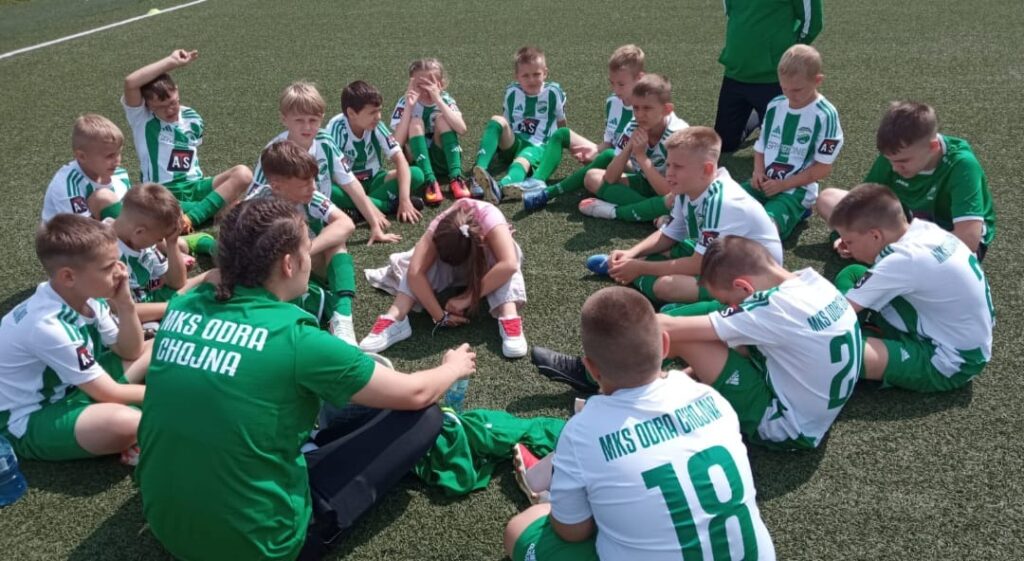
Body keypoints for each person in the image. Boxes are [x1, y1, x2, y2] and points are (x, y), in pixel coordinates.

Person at [137, 197, 476, 561]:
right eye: (307, 247)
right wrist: (452, 367)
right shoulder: (295, 337)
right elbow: (416, 393)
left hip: (165, 524)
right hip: (260, 546)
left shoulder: (181, 307)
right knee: (425, 417)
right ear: (288, 263)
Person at [504, 287, 775, 561]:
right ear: (665, 345)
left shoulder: (583, 431)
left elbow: (572, 532)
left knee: (521, 526)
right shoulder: (711, 397)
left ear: (592, 368)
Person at [535, 236, 860, 450]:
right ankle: (660, 382)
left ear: (744, 286)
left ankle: (597, 379)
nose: (731, 307)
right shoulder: (813, 282)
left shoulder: (772, 308)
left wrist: (605, 331)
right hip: (807, 403)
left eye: (732, 301)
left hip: (785, 425)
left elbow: (661, 327)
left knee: (676, 336)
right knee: (710, 327)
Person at [0, 215, 148, 462]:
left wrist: (125, 304)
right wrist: (167, 394)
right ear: (68, 277)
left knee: (158, 347)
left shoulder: (87, 296)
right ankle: (125, 428)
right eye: (108, 267)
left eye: (118, 261)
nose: (121, 271)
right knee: (129, 422)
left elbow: (130, 351)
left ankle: (112, 426)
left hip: (74, 388)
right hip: (32, 416)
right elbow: (110, 393)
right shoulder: (46, 325)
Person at [587, 127, 781, 307]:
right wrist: (632, 253)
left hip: (751, 278)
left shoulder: (723, 201)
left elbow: (698, 264)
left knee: (665, 286)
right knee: (647, 255)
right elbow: (670, 233)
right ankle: (626, 269)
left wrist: (640, 267)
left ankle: (633, 276)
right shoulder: (687, 189)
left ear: (706, 169)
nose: (669, 173)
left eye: (678, 167)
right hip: (719, 260)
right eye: (668, 165)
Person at [830, 183, 993, 392]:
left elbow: (836, 314)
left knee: (833, 350)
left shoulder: (903, 260)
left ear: (875, 235)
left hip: (948, 360)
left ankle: (864, 341)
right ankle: (867, 337)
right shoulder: (927, 230)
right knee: (854, 272)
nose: (846, 246)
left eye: (849, 241)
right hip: (948, 331)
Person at [817, 101, 996, 259]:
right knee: (828, 198)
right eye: (890, 160)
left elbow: (968, 241)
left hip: (947, 237)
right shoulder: (895, 155)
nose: (895, 168)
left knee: (949, 260)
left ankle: (887, 254)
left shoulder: (961, 165)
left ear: (933, 147)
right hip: (905, 226)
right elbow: (863, 205)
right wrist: (847, 236)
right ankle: (885, 252)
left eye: (903, 161)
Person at [360, 198, 528, 358]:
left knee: (508, 254)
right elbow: (415, 272)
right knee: (416, 263)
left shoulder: (490, 218)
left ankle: (509, 315)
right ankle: (396, 317)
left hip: (484, 261)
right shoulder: (440, 227)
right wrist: (441, 317)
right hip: (450, 265)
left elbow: (509, 264)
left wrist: (467, 298)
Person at [247, 140, 366, 343]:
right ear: (276, 186)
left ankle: (343, 315)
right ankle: (204, 242)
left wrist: (305, 250)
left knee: (336, 242)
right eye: (304, 183)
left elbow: (346, 223)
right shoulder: (257, 205)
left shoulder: (311, 196)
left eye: (313, 180)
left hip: (302, 262)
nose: (313, 187)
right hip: (275, 270)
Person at [122, 49, 251, 232]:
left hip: (196, 186)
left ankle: (190, 218)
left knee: (243, 174)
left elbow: (191, 158)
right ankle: (209, 211)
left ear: (177, 91)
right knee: (154, 206)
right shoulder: (142, 120)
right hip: (163, 192)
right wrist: (172, 61)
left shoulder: (192, 118)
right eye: (161, 107)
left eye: (173, 102)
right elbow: (130, 82)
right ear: (148, 106)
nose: (169, 110)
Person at [251, 82, 397, 244]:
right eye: (299, 120)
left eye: (313, 120)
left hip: (320, 218)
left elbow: (350, 182)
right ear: (284, 119)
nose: (307, 127)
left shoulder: (324, 141)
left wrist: (374, 225)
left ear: (321, 118)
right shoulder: (273, 153)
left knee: (338, 241)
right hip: (285, 224)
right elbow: (254, 197)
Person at [524, 44, 645, 211]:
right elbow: (610, 142)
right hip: (614, 155)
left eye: (621, 84)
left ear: (639, 78)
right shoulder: (613, 102)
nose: (615, 89)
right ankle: (537, 181)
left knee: (608, 156)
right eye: (612, 83)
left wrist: (604, 154)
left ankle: (549, 193)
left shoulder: (646, 108)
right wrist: (595, 151)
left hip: (634, 165)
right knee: (562, 133)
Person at [471, 46, 595, 203]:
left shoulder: (553, 93)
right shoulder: (511, 92)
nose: (531, 80)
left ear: (545, 73)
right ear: (517, 76)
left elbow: (561, 123)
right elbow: (505, 122)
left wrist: (556, 150)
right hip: (514, 142)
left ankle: (499, 188)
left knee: (521, 162)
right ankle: (478, 175)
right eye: (526, 75)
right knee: (497, 120)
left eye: (536, 74)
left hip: (537, 145)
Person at [744, 44, 843, 240]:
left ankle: (799, 208)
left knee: (765, 228)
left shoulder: (825, 114)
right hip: (764, 183)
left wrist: (783, 185)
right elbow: (761, 147)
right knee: (724, 205)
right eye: (784, 88)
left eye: (797, 89)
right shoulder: (775, 105)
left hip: (796, 189)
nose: (790, 95)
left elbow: (823, 168)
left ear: (817, 81)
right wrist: (758, 172)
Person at [576, 74, 689, 223]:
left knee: (673, 199)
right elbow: (610, 178)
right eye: (636, 108)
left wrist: (641, 157)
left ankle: (620, 211)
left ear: (666, 109)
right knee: (592, 177)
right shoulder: (634, 124)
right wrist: (629, 145)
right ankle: (654, 215)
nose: (640, 115)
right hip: (646, 184)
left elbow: (669, 191)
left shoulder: (678, 136)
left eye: (647, 108)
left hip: (673, 194)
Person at [714, 0, 823, 153]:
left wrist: (786, 54)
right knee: (723, 144)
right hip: (736, 73)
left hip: (773, 78)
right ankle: (758, 117)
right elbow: (733, 14)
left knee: (778, 149)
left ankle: (766, 116)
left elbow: (813, 24)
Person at [327, 80, 427, 224]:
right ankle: (387, 206)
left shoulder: (376, 125)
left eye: (379, 110)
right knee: (325, 189)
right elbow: (333, 173)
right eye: (372, 112)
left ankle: (359, 210)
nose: (378, 117)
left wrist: (405, 200)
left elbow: (400, 159)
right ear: (351, 113)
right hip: (347, 186)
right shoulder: (336, 128)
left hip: (374, 181)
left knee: (417, 174)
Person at [112, 183, 211, 323]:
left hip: (154, 300)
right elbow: (119, 310)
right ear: (139, 232)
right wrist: (173, 307)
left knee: (213, 275)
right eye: (160, 238)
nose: (160, 242)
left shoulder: (140, 240)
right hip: (133, 317)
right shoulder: (105, 254)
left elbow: (177, 283)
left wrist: (172, 243)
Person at [390, 58, 470, 203]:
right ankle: (430, 182)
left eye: (430, 84)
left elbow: (462, 129)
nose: (426, 89)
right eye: (420, 85)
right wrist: (409, 107)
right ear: (411, 85)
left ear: (441, 84)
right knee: (415, 122)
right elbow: (396, 144)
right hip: (418, 164)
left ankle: (456, 177)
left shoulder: (445, 99)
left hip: (443, 161)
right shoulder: (405, 102)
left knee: (442, 119)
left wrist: (438, 100)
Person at [41, 114, 132, 223]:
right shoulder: (67, 183)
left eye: (119, 153)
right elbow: (79, 230)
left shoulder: (119, 174)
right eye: (109, 156)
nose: (117, 160)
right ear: (82, 156)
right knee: (103, 198)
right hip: (70, 232)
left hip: (104, 230)